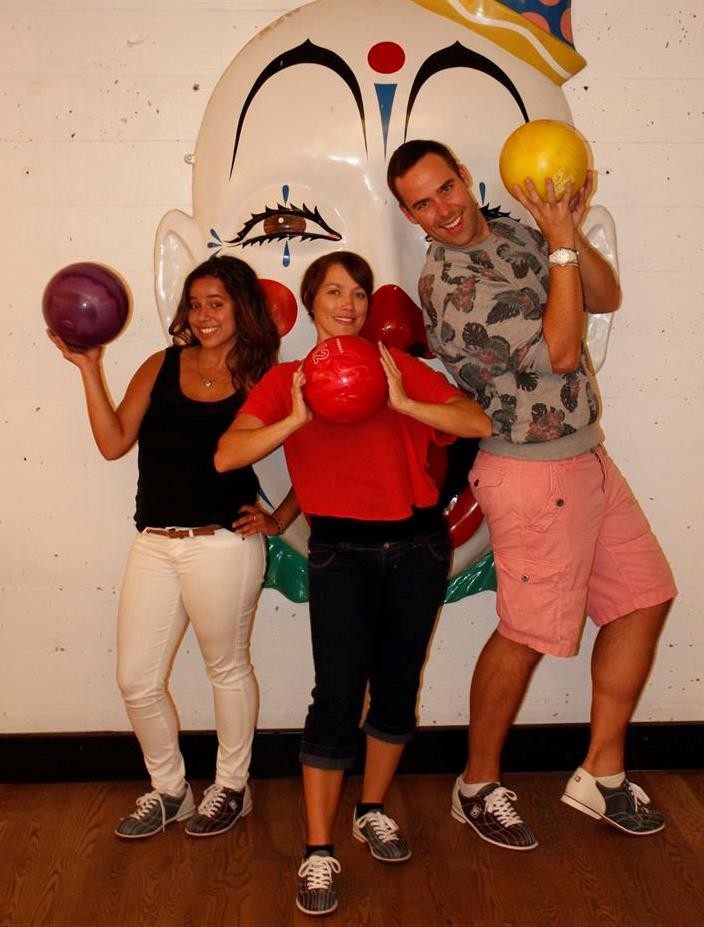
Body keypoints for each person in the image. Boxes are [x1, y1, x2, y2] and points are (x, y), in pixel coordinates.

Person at [387, 139, 676, 850]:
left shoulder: (518, 233)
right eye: (421, 204)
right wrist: (560, 249)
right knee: (525, 633)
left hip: (587, 456)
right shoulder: (449, 288)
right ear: (410, 216)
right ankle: (476, 785)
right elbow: (564, 352)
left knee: (643, 598)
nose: (442, 210)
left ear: (464, 177)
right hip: (531, 474)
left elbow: (604, 297)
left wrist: (564, 233)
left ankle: (600, 770)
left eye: (445, 188)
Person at [215, 251, 491, 915]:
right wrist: (295, 419)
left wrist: (403, 400)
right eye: (335, 292)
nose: (349, 304)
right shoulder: (287, 379)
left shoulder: (397, 367)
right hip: (342, 553)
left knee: (397, 686)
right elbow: (228, 453)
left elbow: (476, 422)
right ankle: (318, 849)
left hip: (419, 546)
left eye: (359, 294)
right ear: (312, 302)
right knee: (337, 695)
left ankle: (371, 810)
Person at [48, 255, 279, 839]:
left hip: (223, 545)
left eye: (216, 303)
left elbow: (314, 447)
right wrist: (90, 369)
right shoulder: (161, 364)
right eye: (195, 304)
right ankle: (170, 790)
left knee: (226, 668)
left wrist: (282, 518)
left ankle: (232, 787)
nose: (203, 315)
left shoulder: (263, 377)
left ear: (242, 309)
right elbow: (113, 442)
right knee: (136, 680)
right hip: (155, 542)